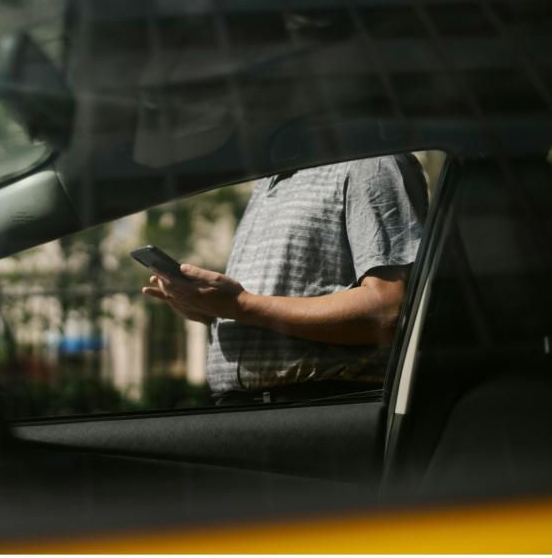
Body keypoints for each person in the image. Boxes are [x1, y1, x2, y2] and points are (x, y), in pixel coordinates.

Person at [143, 155, 427, 404]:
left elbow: (387, 311)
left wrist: (239, 305)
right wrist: (210, 308)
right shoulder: (267, 182)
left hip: (320, 407)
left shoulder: (370, 163)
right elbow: (263, 308)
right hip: (249, 411)